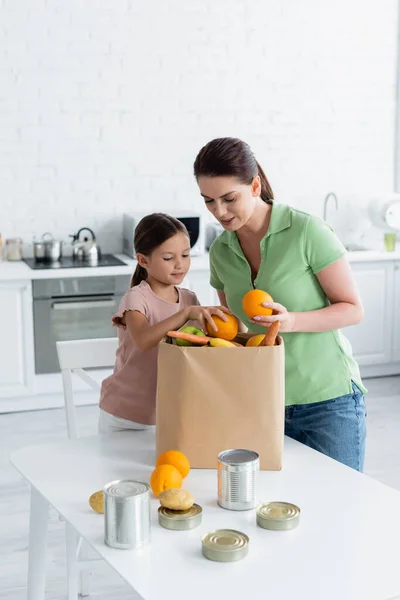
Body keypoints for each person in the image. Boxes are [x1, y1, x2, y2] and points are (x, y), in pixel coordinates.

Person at [193, 137, 367, 471]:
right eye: (209, 201)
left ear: (255, 185)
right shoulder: (221, 252)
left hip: (328, 401)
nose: (219, 212)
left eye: (229, 198)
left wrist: (291, 321)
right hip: (262, 403)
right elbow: (237, 330)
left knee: (338, 509)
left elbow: (353, 308)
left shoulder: (306, 231)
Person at [99, 212, 228, 434]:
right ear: (143, 260)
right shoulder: (136, 298)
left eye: (185, 255)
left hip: (168, 413)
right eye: (169, 258)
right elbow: (144, 340)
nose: (180, 265)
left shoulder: (189, 299)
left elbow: (196, 350)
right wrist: (186, 313)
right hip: (124, 416)